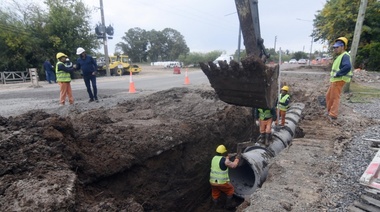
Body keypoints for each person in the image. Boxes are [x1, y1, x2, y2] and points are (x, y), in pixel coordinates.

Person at [326, 37, 353, 120]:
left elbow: (347, 67)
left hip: (338, 80)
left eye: (337, 47)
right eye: (334, 47)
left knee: (334, 97)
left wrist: (338, 74)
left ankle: (333, 114)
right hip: (335, 80)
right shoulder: (341, 56)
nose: (335, 49)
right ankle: (330, 111)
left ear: (343, 47)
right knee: (329, 96)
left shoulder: (345, 56)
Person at [209, 145, 240, 209]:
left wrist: (229, 156)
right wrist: (237, 159)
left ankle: (215, 206)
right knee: (230, 190)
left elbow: (222, 159)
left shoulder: (214, 158)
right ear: (223, 153)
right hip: (221, 182)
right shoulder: (225, 161)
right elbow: (233, 165)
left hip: (212, 182)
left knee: (215, 193)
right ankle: (228, 205)